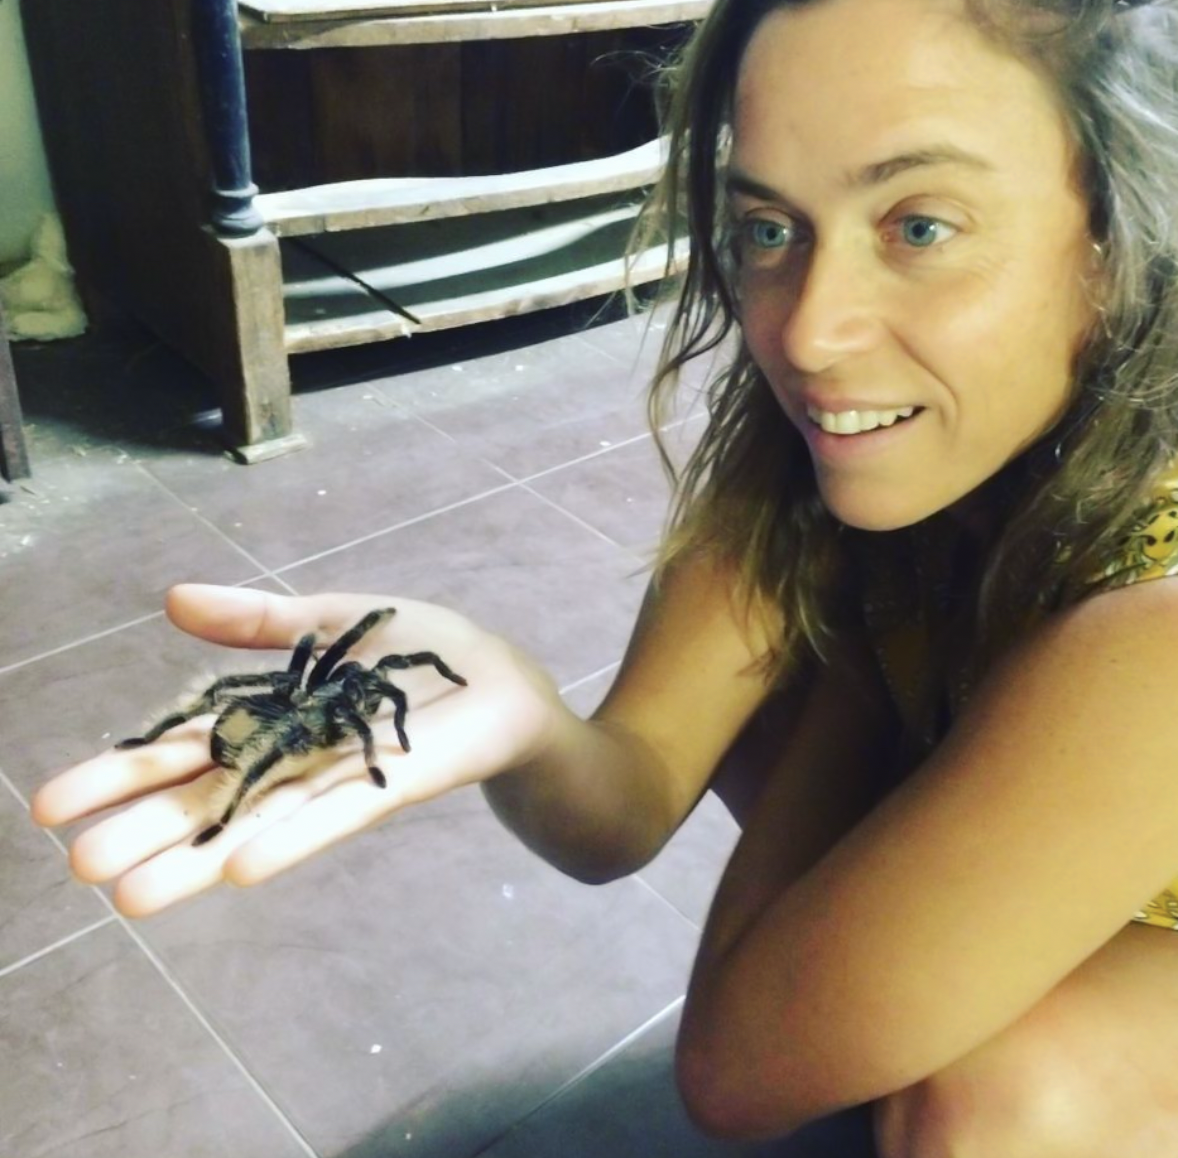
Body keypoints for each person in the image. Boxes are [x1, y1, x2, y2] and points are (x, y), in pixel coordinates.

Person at [32, 0, 1178, 1151]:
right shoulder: (814, 452)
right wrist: (526, 720)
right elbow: (618, 806)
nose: (808, 333)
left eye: (919, 227)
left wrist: (856, 676)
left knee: (997, 1097)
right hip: (1024, 783)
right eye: (769, 229)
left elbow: (735, 1069)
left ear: (1116, 240)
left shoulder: (1153, 639)